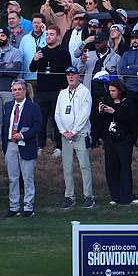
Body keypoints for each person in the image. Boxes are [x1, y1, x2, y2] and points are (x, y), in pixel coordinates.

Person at [55, 66, 94, 209]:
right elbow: (57, 114)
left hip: (80, 134)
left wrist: (75, 130)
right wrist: (63, 131)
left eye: (73, 74)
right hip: (66, 136)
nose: (71, 77)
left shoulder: (85, 92)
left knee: (84, 166)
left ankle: (88, 196)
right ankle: (69, 196)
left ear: (79, 76)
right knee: (67, 167)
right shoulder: (63, 93)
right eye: (68, 75)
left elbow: (85, 113)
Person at [2, 79, 42, 218]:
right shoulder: (8, 106)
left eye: (19, 89)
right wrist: (5, 146)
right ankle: (14, 207)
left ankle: (28, 206)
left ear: (25, 91)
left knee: (27, 177)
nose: (17, 92)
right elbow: (4, 126)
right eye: (15, 89)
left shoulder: (33, 107)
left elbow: (38, 127)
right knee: (13, 178)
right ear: (12, 91)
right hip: (11, 145)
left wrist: (23, 135)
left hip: (26, 145)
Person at [29, 24, 71, 156]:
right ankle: (39, 145)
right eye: (47, 34)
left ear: (58, 36)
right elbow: (32, 68)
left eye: (51, 34)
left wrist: (64, 91)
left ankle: (59, 146)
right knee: (40, 119)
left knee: (57, 120)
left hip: (58, 91)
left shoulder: (64, 52)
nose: (48, 37)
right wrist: (35, 59)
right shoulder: (41, 51)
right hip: (41, 92)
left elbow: (68, 72)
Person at [99, 79, 138, 205]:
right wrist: (101, 112)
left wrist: (114, 112)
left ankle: (127, 195)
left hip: (124, 139)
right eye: (110, 91)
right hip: (110, 140)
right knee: (111, 168)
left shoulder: (129, 104)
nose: (111, 93)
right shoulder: (108, 103)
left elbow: (129, 121)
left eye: (114, 91)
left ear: (120, 91)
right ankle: (115, 196)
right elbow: (101, 124)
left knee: (124, 167)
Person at [0, 28, 22, 139]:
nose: (0, 38)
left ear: (7, 37)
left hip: (9, 90)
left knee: (10, 117)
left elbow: (16, 70)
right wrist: (6, 68)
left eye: (2, 35)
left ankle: (10, 139)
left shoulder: (16, 52)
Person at [118, 29, 138, 124]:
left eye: (136, 38)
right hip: (129, 90)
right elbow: (122, 70)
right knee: (130, 119)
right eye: (132, 38)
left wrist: (130, 67)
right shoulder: (126, 53)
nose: (134, 40)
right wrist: (137, 72)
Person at [18, 13, 47, 87]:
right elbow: (20, 57)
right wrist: (20, 77)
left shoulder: (47, 37)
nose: (36, 25)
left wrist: (45, 32)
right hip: (28, 78)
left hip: (44, 77)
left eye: (38, 23)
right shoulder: (25, 38)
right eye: (34, 23)